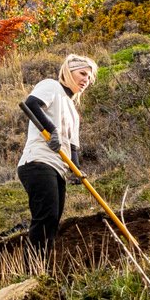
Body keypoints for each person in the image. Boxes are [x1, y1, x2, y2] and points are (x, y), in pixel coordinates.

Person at [16, 54, 98, 259]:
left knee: (53, 221)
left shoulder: (73, 111)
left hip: (57, 168)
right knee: (46, 216)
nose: (85, 80)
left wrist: (78, 171)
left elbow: (73, 147)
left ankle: (40, 268)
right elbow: (32, 104)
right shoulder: (51, 86)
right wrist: (51, 130)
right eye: (82, 74)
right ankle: (31, 271)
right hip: (38, 162)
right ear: (69, 72)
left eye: (89, 78)